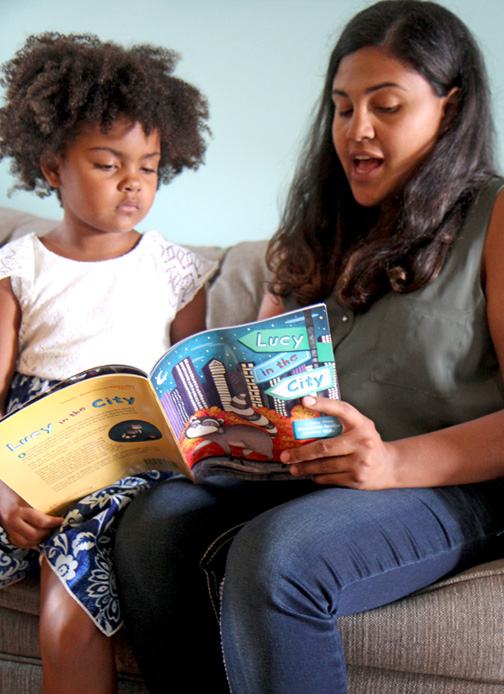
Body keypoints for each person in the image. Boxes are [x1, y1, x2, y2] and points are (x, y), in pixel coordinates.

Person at [114, 2, 504, 692]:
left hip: (454, 484)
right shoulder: (319, 222)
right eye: (343, 106)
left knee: (279, 554)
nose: (358, 130)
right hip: (315, 475)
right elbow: (258, 369)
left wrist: (389, 463)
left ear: (451, 107)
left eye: (387, 106)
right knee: (151, 525)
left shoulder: (494, 218)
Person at [0, 33, 216, 694]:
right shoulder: (18, 267)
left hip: (126, 465)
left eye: (148, 166)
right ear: (52, 165)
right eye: (106, 163)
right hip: (30, 456)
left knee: (69, 615)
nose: (132, 182)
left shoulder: (177, 271)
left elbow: (193, 397)